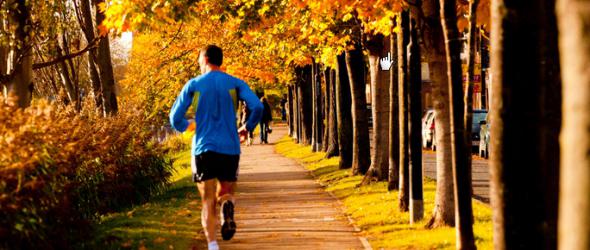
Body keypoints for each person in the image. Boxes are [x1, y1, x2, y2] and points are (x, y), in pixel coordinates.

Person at [169, 45, 263, 250]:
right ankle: (227, 205)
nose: (198, 65)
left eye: (198, 61)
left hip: (203, 148)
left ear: (204, 59)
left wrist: (189, 126)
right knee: (226, 192)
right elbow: (258, 107)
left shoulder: (193, 84)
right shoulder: (236, 83)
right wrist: (247, 128)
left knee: (208, 200)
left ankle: (212, 245)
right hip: (230, 147)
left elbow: (174, 118)